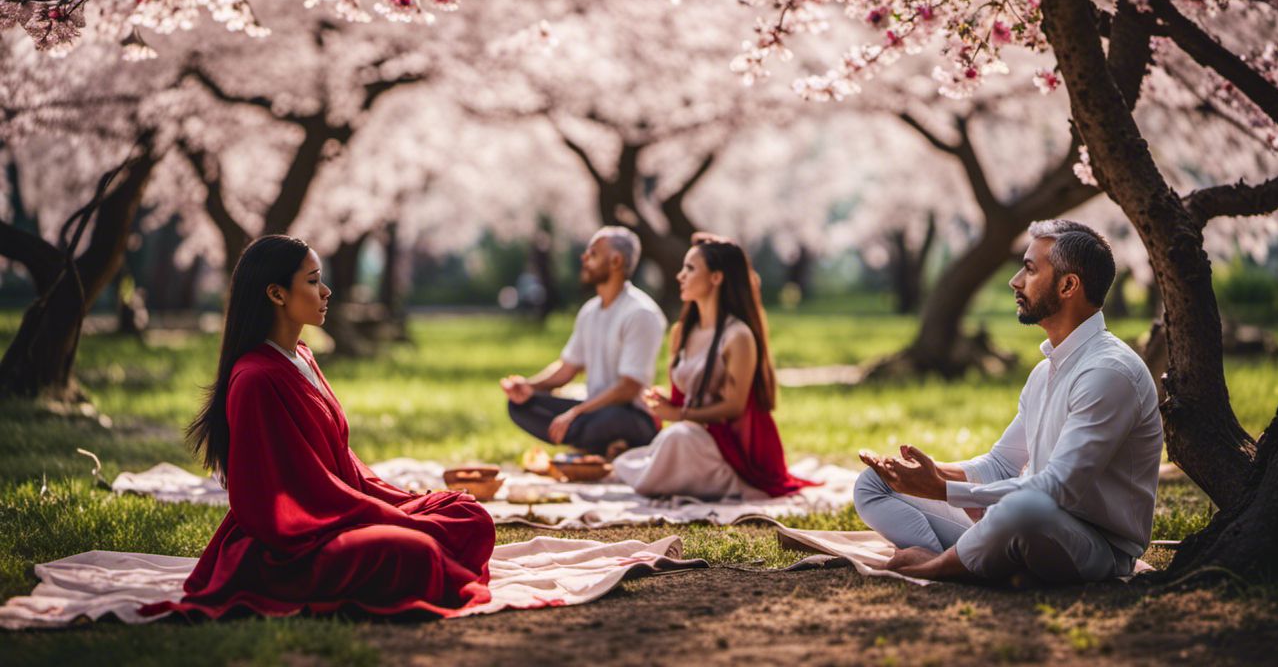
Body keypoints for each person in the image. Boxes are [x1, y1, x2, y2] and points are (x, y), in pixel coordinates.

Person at [143, 236, 495, 619]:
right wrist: (389, 519)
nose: (325, 291)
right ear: (277, 294)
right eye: (312, 281)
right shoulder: (255, 379)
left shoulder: (302, 356)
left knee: (469, 516)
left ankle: (409, 535)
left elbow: (343, 464)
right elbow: (274, 502)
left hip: (339, 511)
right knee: (416, 551)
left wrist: (398, 506)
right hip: (294, 544)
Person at [853, 219, 1162, 584]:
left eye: (1030, 269)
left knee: (1023, 507)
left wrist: (945, 490)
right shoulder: (1044, 371)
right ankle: (976, 559)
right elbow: (1001, 463)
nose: (1016, 281)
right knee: (872, 484)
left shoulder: (1109, 372)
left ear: (1068, 285)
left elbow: (1057, 489)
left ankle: (933, 567)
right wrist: (927, 473)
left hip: (1094, 547)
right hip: (1017, 523)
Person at [613, 236, 816, 499]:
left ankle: (666, 478)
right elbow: (684, 396)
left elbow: (734, 407)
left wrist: (678, 414)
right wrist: (666, 403)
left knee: (676, 440)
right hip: (693, 436)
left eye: (690, 268)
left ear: (716, 277)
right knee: (666, 443)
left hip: (730, 450)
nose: (680, 276)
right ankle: (659, 475)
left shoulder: (737, 336)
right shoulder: (681, 332)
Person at [501, 226, 666, 459]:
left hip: (630, 415)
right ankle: (600, 445)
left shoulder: (641, 313)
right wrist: (529, 387)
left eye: (593, 253)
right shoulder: (590, 311)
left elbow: (629, 388)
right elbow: (568, 368)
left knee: (608, 420)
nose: (584, 257)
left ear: (616, 261)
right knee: (520, 406)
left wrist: (575, 412)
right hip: (592, 409)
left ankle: (602, 442)